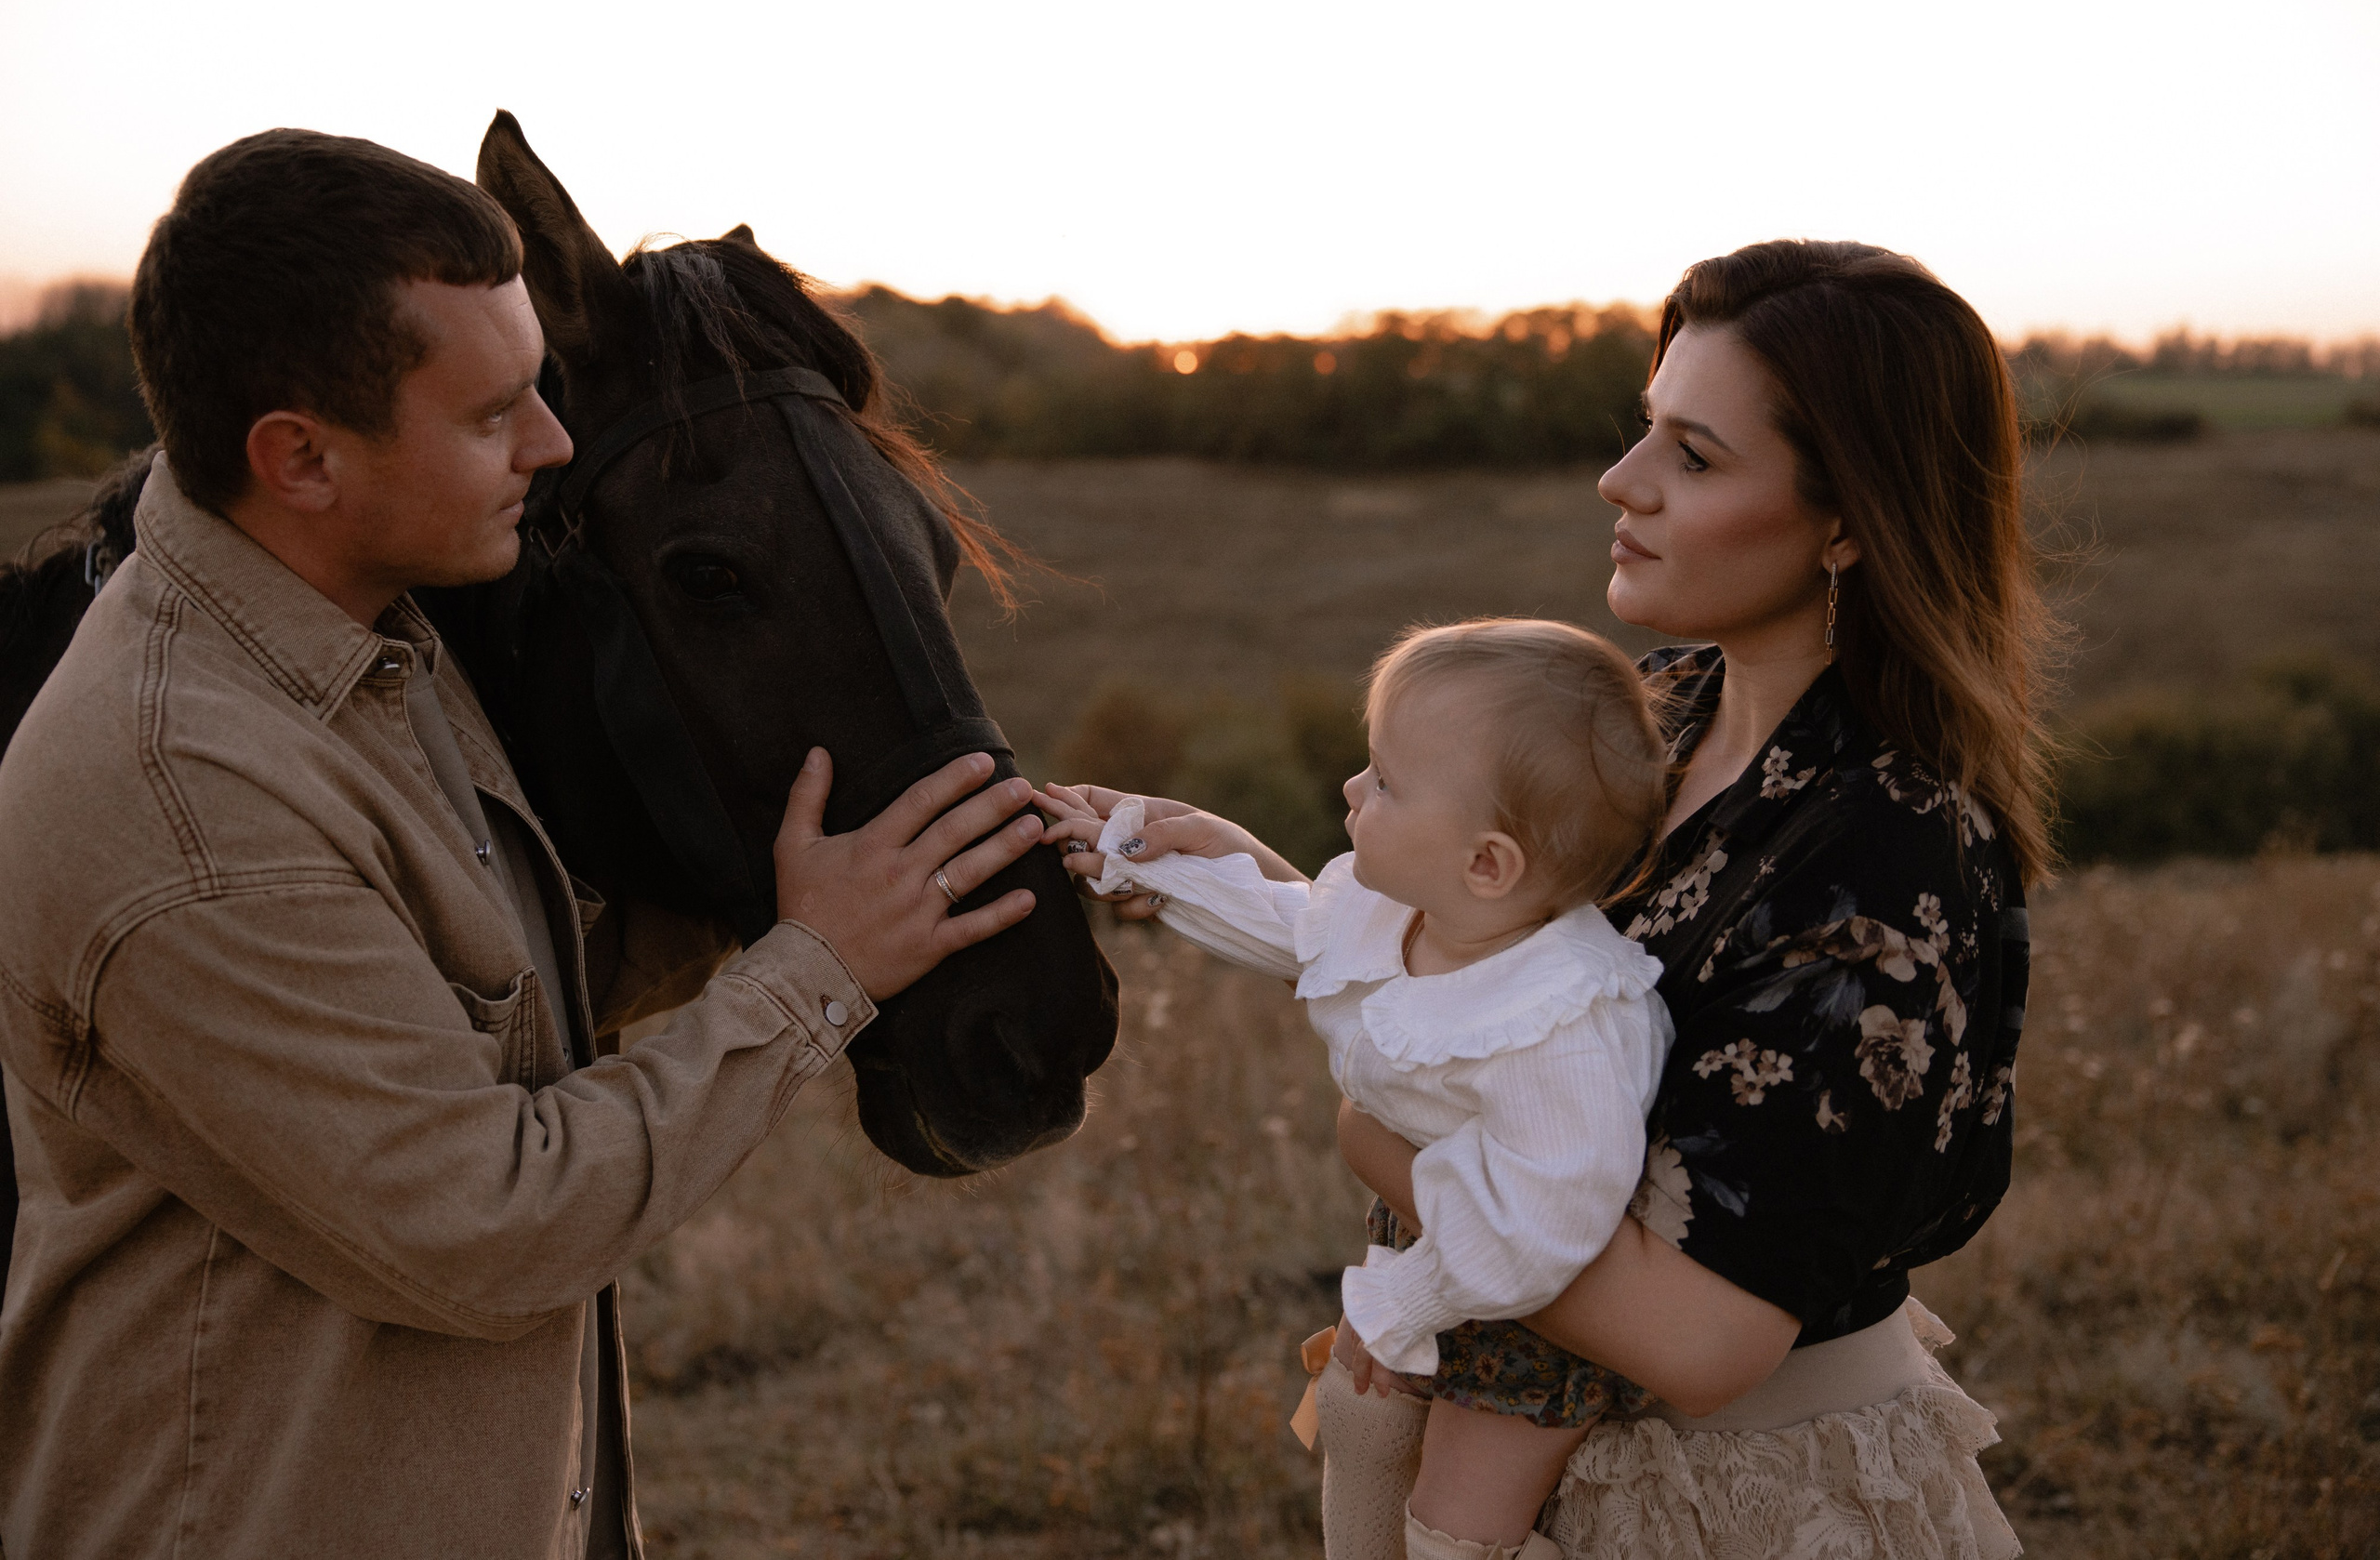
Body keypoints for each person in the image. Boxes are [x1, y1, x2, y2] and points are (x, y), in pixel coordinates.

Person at [0, 130, 1044, 1559]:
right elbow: (488, 1230)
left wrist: (876, 888)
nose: (554, 447)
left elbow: (478, 988)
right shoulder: (188, 801)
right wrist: (813, 970)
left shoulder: (370, 633)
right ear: (300, 457)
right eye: (497, 414)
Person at [1080, 240, 2043, 1558]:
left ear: (1849, 522)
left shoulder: (1882, 844)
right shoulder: (1664, 710)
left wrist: (1381, 1135)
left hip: (1747, 1500)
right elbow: (1514, 988)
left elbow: (1704, 1341)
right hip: (1555, 1471)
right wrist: (1259, 883)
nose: (1621, 481)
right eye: (1646, 429)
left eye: (1694, 457)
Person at [1041, 618, 1674, 1560]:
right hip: (1430, 1236)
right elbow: (1295, 925)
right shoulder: (1418, 911)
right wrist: (1141, 863)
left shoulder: (1563, 1023)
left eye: (1383, 782)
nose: (1349, 788)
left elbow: (1541, 1224)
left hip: (1529, 1303)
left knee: (1457, 1533)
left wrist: (1408, 1303)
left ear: (1487, 862)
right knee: (1357, 1415)